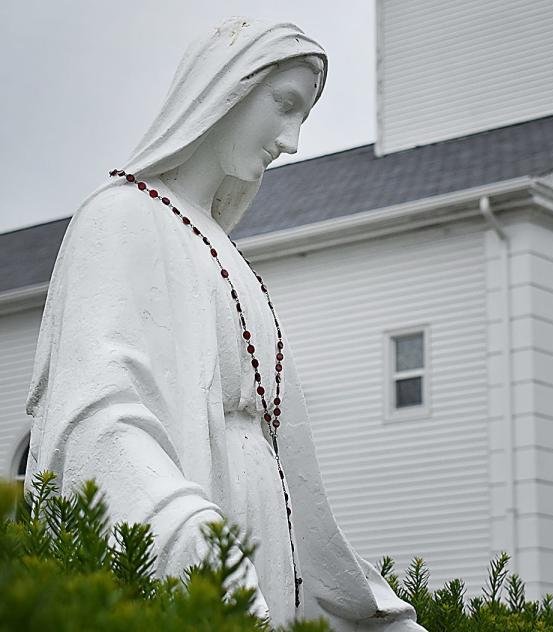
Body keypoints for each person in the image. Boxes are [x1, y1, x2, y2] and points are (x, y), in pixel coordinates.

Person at [24, 17, 424, 631]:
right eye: (284, 105)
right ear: (228, 88)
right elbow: (96, 411)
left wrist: (363, 609)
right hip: (199, 517)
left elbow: (283, 448)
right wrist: (188, 535)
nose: (290, 141)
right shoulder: (124, 216)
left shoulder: (224, 251)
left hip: (260, 517)